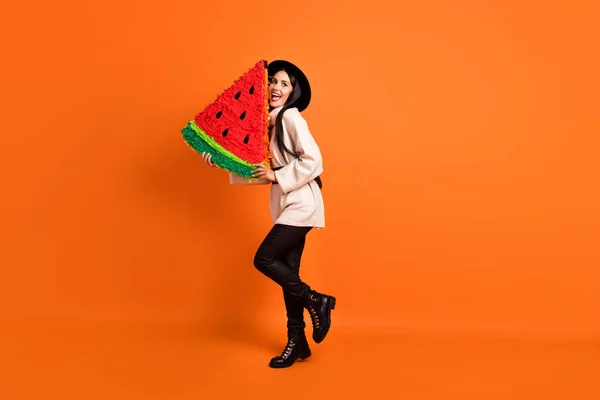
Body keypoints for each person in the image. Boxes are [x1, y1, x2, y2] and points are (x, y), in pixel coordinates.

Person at [200, 60, 336, 368]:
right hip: (288, 203)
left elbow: (314, 160)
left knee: (263, 259)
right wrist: (223, 162)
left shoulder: (290, 118)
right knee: (289, 273)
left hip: (302, 203)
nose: (275, 87)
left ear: (293, 92)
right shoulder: (269, 124)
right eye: (272, 81)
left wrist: (279, 176)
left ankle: (317, 300)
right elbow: (264, 173)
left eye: (284, 84)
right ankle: (297, 341)